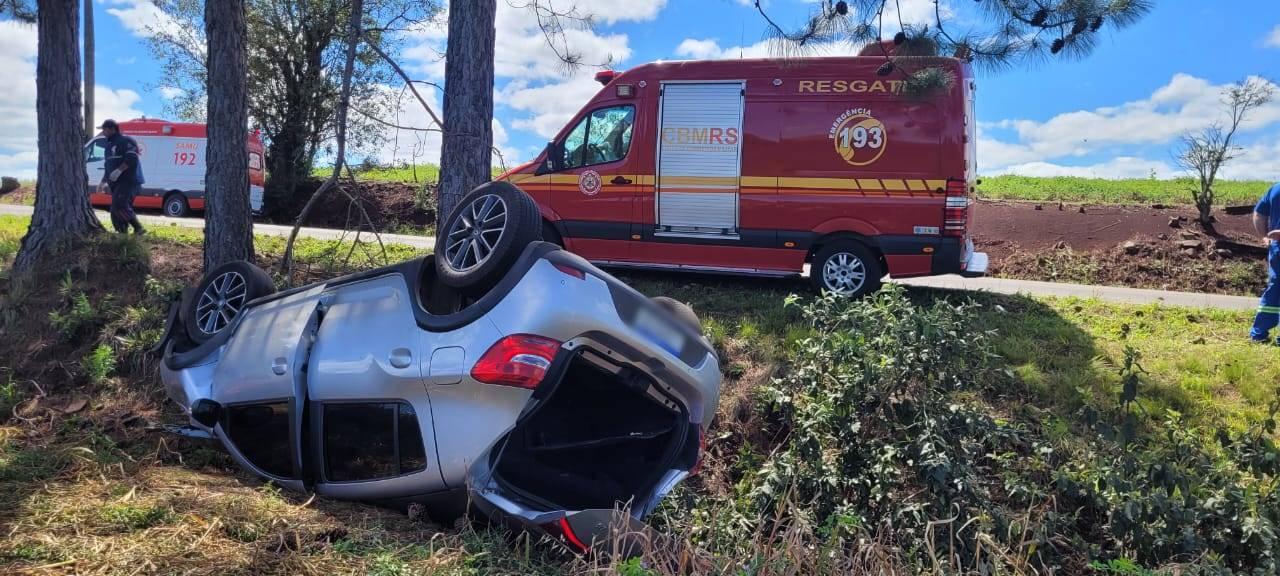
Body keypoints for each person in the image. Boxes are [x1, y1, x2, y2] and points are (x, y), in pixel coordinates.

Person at [96, 119, 146, 235]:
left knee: (119, 206)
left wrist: (119, 170)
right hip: (116, 184)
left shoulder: (126, 141)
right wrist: (102, 182)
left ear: (112, 129)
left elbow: (132, 158)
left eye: (105, 130)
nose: (103, 133)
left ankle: (139, 228)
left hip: (129, 181)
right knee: (115, 211)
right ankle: (123, 235)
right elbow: (108, 165)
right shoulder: (108, 147)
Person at [1250, 181, 1280, 343]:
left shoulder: (1275, 188)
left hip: (1277, 247)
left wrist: (1264, 236)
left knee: (1275, 287)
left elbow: (1258, 214)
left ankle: (1259, 333)